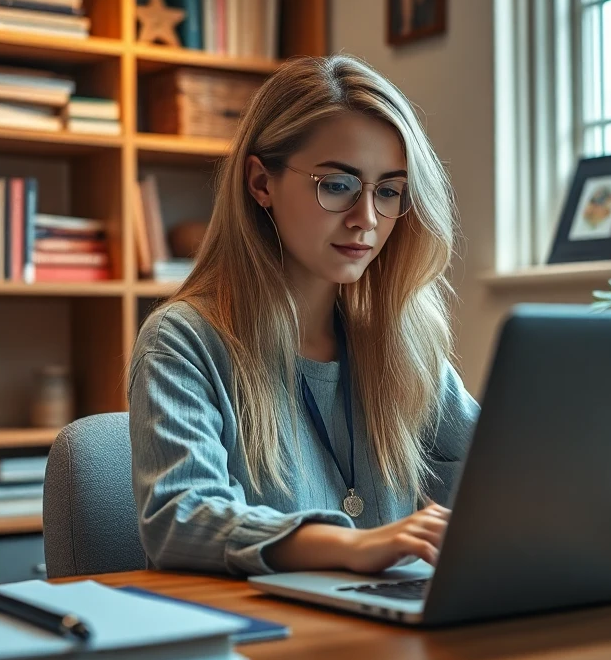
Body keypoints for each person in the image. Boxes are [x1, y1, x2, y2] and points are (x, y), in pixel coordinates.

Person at [128, 54, 479, 578]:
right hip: (262, 640)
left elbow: (500, 475)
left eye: (388, 191)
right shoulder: (182, 341)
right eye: (337, 185)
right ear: (260, 183)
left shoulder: (403, 344)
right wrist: (351, 545)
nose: (366, 219)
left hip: (393, 634)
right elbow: (181, 518)